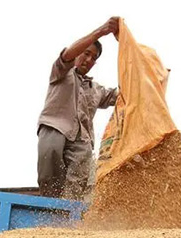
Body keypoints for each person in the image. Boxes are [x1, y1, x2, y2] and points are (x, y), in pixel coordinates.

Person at [37, 18, 120, 200]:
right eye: (86, 53)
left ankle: (71, 218)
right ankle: (50, 214)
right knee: (49, 179)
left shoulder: (96, 89)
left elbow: (122, 95)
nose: (88, 59)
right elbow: (66, 55)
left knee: (79, 184)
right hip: (55, 130)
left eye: (93, 58)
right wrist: (101, 31)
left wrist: (148, 76)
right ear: (78, 53)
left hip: (82, 139)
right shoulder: (61, 72)